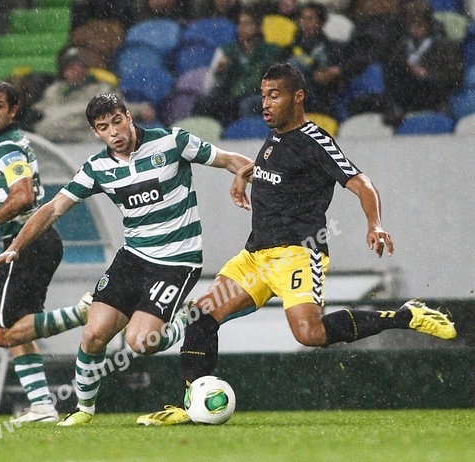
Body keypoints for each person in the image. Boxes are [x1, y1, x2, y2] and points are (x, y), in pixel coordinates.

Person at [137, 62, 457, 426]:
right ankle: (190, 405)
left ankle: (405, 315)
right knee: (201, 316)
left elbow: (361, 183)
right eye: (263, 96)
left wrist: (376, 224)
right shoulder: (275, 137)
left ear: (298, 97)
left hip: (297, 255)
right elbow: (276, 171)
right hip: (255, 257)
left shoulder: (315, 140)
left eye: (274, 96)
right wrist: (244, 174)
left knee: (310, 333)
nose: (265, 104)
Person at [0, 92, 253, 426]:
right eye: (104, 127)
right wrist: (15, 247)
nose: (114, 132)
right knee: (93, 334)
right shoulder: (97, 168)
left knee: (140, 342)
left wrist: (257, 179)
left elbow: (228, 159)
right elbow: (53, 209)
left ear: (128, 116)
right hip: (132, 259)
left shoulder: (172, 142)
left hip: (177, 260)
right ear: (96, 132)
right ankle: (84, 410)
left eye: (117, 121)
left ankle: (187, 318)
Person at [0, 81, 92, 424]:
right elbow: (10, 191)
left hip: (26, 243)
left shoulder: (7, 146)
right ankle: (41, 406)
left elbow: (24, 197)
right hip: (37, 241)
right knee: (19, 329)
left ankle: (84, 312)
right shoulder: (4, 142)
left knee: (1, 333)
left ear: (13, 111)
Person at [193, 6, 285, 127]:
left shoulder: (271, 51)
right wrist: (219, 72)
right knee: (202, 104)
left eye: (247, 24)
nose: (242, 28)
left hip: (256, 95)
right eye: (240, 24)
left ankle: (244, 134)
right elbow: (209, 86)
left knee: (246, 105)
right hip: (231, 95)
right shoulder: (227, 51)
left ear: (258, 27)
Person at [382, 0, 463, 127]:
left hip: (434, 95)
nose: (416, 28)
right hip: (407, 95)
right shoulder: (402, 45)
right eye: (412, 24)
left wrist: (427, 74)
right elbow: (391, 73)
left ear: (428, 23)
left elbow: (454, 76)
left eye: (420, 24)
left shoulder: (443, 46)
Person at [288, 2, 345, 117]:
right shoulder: (290, 47)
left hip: (319, 96)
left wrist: (331, 73)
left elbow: (335, 73)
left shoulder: (331, 47)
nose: (306, 23)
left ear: (321, 23)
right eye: (303, 18)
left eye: (311, 19)